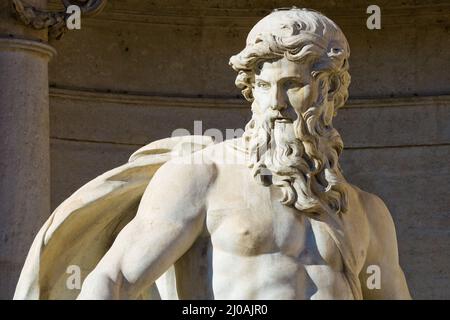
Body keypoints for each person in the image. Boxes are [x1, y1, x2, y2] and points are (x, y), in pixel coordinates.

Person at [15, 8, 411, 300]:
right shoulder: (205, 176)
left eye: (292, 85)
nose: (275, 102)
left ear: (329, 91)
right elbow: (113, 278)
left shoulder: (366, 211)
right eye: (263, 86)